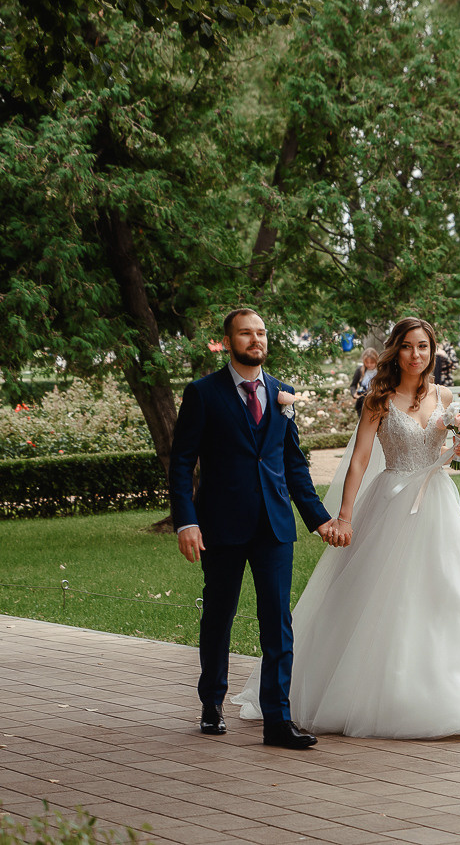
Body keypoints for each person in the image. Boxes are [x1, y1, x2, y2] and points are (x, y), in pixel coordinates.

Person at [233, 317, 460, 739]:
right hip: (391, 501)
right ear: (395, 351)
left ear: (432, 351)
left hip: (438, 504)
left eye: (424, 346)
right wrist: (345, 516)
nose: (416, 355)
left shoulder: (445, 396)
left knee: (445, 593)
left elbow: (441, 450)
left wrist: (459, 447)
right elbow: (360, 459)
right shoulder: (377, 399)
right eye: (408, 346)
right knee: (377, 595)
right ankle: (363, 694)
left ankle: (455, 698)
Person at [169, 308, 342, 750]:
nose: (256, 339)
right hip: (220, 525)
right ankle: (212, 703)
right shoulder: (203, 393)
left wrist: (319, 518)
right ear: (228, 342)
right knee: (219, 615)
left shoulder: (281, 393)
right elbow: (182, 462)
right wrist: (187, 520)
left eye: (261, 332)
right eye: (246, 333)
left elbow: (293, 464)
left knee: (278, 623)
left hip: (274, 526)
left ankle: (277, 721)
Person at [349, 348, 380, 417]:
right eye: (367, 362)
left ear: (376, 361)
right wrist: (354, 394)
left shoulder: (380, 371)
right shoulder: (360, 370)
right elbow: (353, 385)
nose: (369, 365)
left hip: (377, 403)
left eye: (372, 362)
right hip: (362, 403)